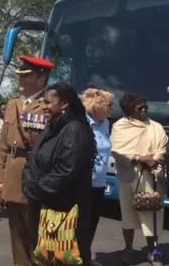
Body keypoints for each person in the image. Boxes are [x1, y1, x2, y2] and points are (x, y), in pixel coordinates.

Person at [22, 83, 97, 265]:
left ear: (64, 103)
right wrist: (28, 183)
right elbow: (32, 161)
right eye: (43, 102)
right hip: (44, 207)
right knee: (44, 256)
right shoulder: (51, 127)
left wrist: (36, 189)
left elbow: (66, 171)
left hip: (64, 211)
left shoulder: (74, 130)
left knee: (64, 259)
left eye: (48, 102)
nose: (44, 106)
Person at [0, 55, 54, 266]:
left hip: (34, 177)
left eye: (26, 76)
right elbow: (3, 146)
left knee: (37, 234)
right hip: (12, 176)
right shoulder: (13, 104)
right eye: (20, 75)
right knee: (16, 233)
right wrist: (1, 179)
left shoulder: (47, 106)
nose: (21, 80)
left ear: (41, 79)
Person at [111, 92, 167, 266]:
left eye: (145, 106)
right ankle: (128, 248)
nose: (144, 110)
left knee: (152, 213)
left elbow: (163, 146)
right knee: (128, 214)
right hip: (129, 177)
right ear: (129, 109)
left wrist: (154, 159)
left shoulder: (156, 126)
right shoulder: (120, 126)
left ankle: (152, 251)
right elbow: (118, 151)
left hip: (152, 177)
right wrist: (141, 158)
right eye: (139, 107)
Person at [82, 88, 114, 266]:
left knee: (93, 222)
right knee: (80, 224)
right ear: (97, 105)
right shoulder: (82, 124)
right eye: (109, 104)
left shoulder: (106, 123)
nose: (112, 108)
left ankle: (85, 257)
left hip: (99, 183)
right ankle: (75, 257)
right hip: (83, 183)